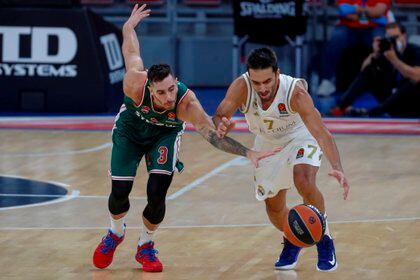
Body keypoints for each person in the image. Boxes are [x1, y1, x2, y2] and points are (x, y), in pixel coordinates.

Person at [92, 5, 277, 272]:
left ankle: (145, 245)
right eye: (162, 93)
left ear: (175, 81)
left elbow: (211, 136)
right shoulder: (134, 82)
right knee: (119, 193)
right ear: (150, 89)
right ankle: (115, 233)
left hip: (164, 134)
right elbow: (131, 53)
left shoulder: (185, 102)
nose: (168, 97)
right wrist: (128, 27)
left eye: (171, 88)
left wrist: (248, 153)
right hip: (130, 131)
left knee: (157, 192)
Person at [214, 48, 349, 271]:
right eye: (256, 83)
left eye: (267, 81)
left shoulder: (295, 93)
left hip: (300, 135)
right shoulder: (241, 87)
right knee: (274, 206)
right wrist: (221, 124)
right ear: (249, 76)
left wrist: (338, 167)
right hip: (267, 143)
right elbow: (220, 114)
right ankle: (293, 239)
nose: (262, 88)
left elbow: (321, 133)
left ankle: (324, 239)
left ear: (278, 73)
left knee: (303, 180)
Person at [330, 22, 420, 117]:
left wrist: (394, 60)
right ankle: (340, 107)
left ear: (404, 36)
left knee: (413, 81)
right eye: (390, 38)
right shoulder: (384, 52)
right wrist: (375, 53)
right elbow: (363, 71)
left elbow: (417, 76)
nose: (393, 41)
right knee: (370, 71)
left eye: (396, 37)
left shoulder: (415, 51)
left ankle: (371, 112)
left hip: (410, 103)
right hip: (390, 100)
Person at [317, 0, 392, 96]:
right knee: (336, 38)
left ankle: (384, 83)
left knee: (381, 42)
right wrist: (369, 15)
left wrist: (354, 9)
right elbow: (343, 12)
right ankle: (327, 81)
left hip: (375, 26)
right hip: (349, 25)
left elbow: (378, 11)